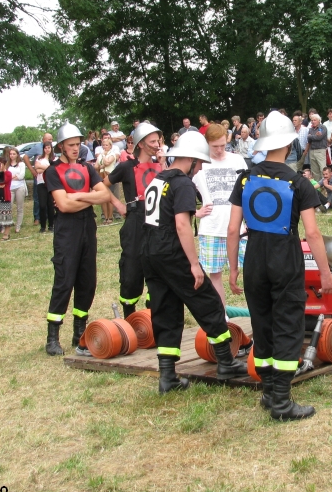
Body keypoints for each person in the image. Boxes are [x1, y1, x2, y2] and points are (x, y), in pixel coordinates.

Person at [228, 110, 332, 420]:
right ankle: (282, 402)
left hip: (254, 257)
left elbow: (232, 229)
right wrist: (325, 272)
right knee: (288, 325)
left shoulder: (245, 178)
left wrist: (233, 268)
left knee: (262, 324)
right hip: (285, 258)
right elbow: (312, 233)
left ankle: (268, 392)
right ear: (290, 144)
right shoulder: (298, 183)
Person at [142, 131, 247, 393]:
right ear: (190, 159)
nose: (200, 168)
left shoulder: (158, 179)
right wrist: (193, 264)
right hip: (173, 254)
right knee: (208, 302)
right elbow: (182, 225)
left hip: (151, 254)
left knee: (166, 311)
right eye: (199, 163)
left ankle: (168, 377)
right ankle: (226, 362)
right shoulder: (182, 183)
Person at [44, 124, 111, 356]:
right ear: (61, 146)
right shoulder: (53, 171)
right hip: (67, 228)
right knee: (64, 280)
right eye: (71, 145)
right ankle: (52, 337)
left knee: (87, 280)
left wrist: (77, 197)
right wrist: (90, 197)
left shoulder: (87, 168)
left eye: (78, 144)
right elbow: (63, 205)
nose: (75, 148)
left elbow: (105, 194)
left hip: (87, 226)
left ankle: (79, 331)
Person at [107, 123, 164, 319]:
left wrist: (163, 163)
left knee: (157, 268)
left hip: (157, 222)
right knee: (132, 269)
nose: (157, 145)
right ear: (140, 144)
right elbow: (102, 185)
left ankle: (153, 315)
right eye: (152, 141)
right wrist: (118, 204)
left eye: (158, 141)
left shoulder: (161, 164)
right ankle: (129, 316)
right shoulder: (126, 166)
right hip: (135, 221)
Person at [192, 123, 250, 309]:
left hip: (239, 227)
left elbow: (248, 190)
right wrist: (195, 212)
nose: (219, 150)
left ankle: (256, 313)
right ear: (207, 143)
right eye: (214, 146)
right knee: (215, 274)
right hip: (211, 227)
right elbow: (180, 191)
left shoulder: (237, 160)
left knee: (250, 271)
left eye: (222, 145)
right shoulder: (199, 164)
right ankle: (221, 315)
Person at [95, 137, 119, 224]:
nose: (105, 147)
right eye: (103, 145)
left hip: (110, 176)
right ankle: (105, 217)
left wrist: (104, 156)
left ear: (110, 146)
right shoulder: (100, 155)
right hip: (101, 176)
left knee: (110, 196)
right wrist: (100, 166)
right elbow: (96, 166)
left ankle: (110, 217)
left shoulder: (112, 154)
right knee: (103, 198)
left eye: (106, 145)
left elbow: (107, 162)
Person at [34, 141, 56, 233]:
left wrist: (42, 167)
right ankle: (43, 226)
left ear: (51, 148)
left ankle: (51, 225)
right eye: (45, 148)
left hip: (51, 183)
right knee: (42, 205)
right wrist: (47, 167)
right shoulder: (39, 158)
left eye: (49, 147)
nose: (47, 149)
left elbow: (54, 170)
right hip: (41, 183)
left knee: (50, 205)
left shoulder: (54, 159)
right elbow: (37, 169)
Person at [6, 147, 27, 233]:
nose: (12, 155)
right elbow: (5, 175)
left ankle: (18, 226)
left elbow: (21, 176)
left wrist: (13, 177)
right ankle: (7, 224)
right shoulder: (7, 164)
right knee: (9, 207)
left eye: (14, 154)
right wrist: (14, 177)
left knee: (19, 207)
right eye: (10, 154)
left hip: (20, 187)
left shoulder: (21, 164)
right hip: (10, 187)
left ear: (17, 155)